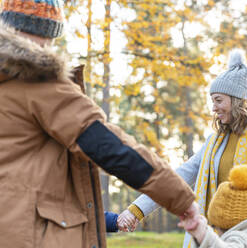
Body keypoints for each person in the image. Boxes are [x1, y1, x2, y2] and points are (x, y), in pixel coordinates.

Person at [0, 1, 199, 247]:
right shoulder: (37, 81)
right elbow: (108, 146)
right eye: (48, 36)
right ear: (39, 32)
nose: (50, 46)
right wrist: (180, 198)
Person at [118, 49, 247, 248]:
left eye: (218, 100)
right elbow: (177, 177)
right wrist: (137, 209)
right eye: (212, 100)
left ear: (237, 99)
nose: (213, 108)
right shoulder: (213, 144)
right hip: (221, 237)